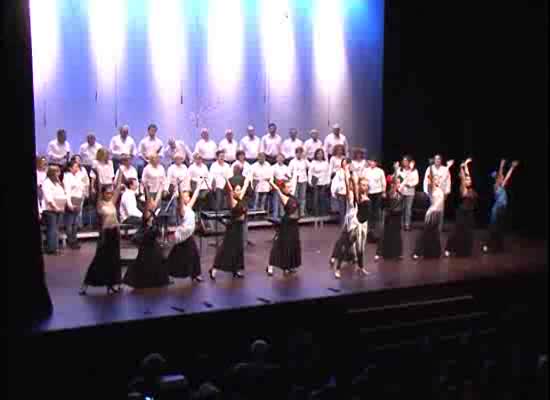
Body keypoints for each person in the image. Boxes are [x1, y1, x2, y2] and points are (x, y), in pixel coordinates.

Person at [79, 172, 125, 295]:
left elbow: (118, 186)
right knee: (100, 259)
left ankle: (112, 284)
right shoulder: (100, 204)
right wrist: (98, 175)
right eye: (107, 193)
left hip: (115, 232)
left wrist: (120, 172)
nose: (110, 195)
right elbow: (99, 189)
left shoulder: (112, 202)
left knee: (114, 259)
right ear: (103, 194)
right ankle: (85, 285)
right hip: (105, 234)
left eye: (111, 193)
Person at [123, 187, 171, 289]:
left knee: (158, 259)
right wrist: (146, 190)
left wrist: (160, 187)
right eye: (151, 201)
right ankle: (137, 281)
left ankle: (159, 281)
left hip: (152, 241)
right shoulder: (146, 214)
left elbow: (157, 199)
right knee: (143, 261)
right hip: (146, 240)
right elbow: (149, 200)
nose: (154, 202)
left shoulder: (154, 213)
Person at [329, 165, 370, 278]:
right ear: (358, 186)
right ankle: (337, 268)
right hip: (355, 224)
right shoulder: (356, 196)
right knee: (346, 245)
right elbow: (350, 187)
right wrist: (349, 176)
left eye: (366, 185)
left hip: (364, 225)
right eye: (363, 185)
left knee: (360, 248)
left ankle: (361, 268)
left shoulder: (366, 196)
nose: (365, 187)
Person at [209, 176, 252, 280]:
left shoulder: (241, 199)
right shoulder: (233, 201)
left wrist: (246, 183)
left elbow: (244, 188)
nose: (239, 191)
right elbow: (230, 190)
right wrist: (227, 181)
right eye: (237, 190)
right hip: (232, 228)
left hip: (239, 228)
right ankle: (214, 269)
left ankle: (236, 269)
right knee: (226, 249)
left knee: (238, 249)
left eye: (240, 189)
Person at [165, 183, 203, 282]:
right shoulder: (181, 209)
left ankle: (196, 274)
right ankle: (166, 273)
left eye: (188, 196)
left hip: (188, 235)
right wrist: (179, 187)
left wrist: (199, 186)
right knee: (178, 255)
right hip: (182, 235)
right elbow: (181, 200)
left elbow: (194, 196)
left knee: (193, 253)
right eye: (186, 196)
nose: (188, 198)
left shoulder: (189, 208)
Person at [482, 159, 519, 254]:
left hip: (501, 209)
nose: (502, 178)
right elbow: (505, 177)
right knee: (494, 228)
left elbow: (506, 176)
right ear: (497, 179)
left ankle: (497, 246)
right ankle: (489, 245)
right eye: (500, 177)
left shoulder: (500, 184)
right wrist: (502, 166)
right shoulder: (497, 186)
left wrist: (512, 167)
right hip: (497, 209)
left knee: (499, 228)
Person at [266, 178, 302, 276]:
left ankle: (289, 267)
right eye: (288, 187)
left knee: (292, 246)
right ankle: (270, 265)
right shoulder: (284, 197)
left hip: (294, 225)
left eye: (290, 186)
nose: (290, 188)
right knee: (281, 245)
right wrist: (271, 182)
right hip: (287, 225)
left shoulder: (292, 196)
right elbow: (277, 189)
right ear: (284, 189)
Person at [445, 158, 478, 257]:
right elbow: (464, 177)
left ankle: (465, 250)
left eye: (469, 178)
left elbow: (467, 175)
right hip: (462, 213)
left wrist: (466, 165)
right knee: (457, 231)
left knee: (468, 233)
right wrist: (461, 167)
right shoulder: (463, 188)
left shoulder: (472, 189)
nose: (469, 179)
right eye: (467, 179)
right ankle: (449, 248)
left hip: (470, 213)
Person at [412, 174, 445, 260]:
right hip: (431, 213)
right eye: (436, 179)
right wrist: (431, 172)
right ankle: (417, 252)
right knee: (425, 233)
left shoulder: (440, 190)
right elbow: (430, 183)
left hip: (438, 213)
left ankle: (434, 253)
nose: (437, 180)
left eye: (438, 179)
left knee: (435, 233)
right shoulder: (431, 189)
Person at [375, 164, 403, 260]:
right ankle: (379, 253)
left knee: (396, 235)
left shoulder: (400, 194)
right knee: (385, 234)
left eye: (399, 183)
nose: (397, 185)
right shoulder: (389, 193)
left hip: (397, 217)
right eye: (396, 183)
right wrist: (395, 170)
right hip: (389, 216)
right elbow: (393, 185)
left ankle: (397, 253)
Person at [423, 155, 454, 231]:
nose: (437, 160)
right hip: (432, 192)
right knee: (432, 209)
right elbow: (426, 180)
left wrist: (447, 192)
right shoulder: (430, 168)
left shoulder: (444, 169)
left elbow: (447, 181)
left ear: (441, 160)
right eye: (436, 159)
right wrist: (426, 191)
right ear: (434, 160)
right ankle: (430, 226)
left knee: (440, 211)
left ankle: (439, 228)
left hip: (441, 193)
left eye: (439, 159)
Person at [41, 165, 67, 254]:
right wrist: (55, 207)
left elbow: (63, 194)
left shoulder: (57, 183)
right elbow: (48, 198)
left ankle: (55, 248)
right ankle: (51, 249)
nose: (59, 174)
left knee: (56, 229)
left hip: (59, 209)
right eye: (57, 172)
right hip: (50, 210)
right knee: (52, 229)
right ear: (53, 173)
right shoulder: (46, 183)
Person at [63, 160, 86, 249]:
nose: (78, 168)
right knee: (70, 222)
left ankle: (74, 239)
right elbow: (67, 191)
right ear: (70, 168)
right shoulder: (67, 176)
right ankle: (70, 241)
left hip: (78, 199)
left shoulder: (78, 176)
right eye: (76, 166)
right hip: (71, 200)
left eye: (78, 166)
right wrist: (69, 204)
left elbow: (82, 187)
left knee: (75, 223)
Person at [397, 156, 419, 231]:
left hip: (410, 192)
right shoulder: (400, 169)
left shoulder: (414, 170)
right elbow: (398, 179)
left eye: (406, 161)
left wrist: (409, 184)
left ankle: (407, 224)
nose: (404, 162)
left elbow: (416, 181)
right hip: (401, 191)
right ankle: (400, 224)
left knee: (408, 209)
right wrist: (400, 184)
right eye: (403, 161)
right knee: (401, 208)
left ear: (409, 162)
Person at [308, 148, 330, 217]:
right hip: (315, 181)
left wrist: (328, 181)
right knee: (315, 198)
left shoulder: (326, 163)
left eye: (321, 153)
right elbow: (310, 172)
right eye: (318, 154)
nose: (320, 155)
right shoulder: (313, 162)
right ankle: (315, 213)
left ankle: (322, 213)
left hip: (323, 182)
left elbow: (328, 173)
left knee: (322, 198)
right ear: (316, 155)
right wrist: (310, 181)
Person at [288, 147, 309, 217]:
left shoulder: (304, 161)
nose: (299, 154)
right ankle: (295, 212)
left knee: (302, 197)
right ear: (296, 153)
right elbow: (289, 172)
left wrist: (305, 159)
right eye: (298, 153)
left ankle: (302, 212)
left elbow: (310, 167)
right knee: (295, 197)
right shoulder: (292, 162)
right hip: (295, 181)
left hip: (303, 180)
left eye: (301, 153)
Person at [330, 157, 350, 226]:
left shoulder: (350, 172)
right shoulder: (339, 172)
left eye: (346, 163)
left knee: (349, 208)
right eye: (343, 163)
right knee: (342, 209)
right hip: (341, 192)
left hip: (349, 193)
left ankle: (348, 223)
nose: (345, 165)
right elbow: (335, 182)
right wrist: (334, 191)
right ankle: (342, 223)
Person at [271, 153, 290, 222]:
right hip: (276, 186)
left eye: (281, 158)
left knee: (283, 201)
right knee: (276, 201)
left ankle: (283, 215)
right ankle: (275, 216)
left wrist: (285, 180)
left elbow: (289, 177)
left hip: (284, 186)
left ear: (283, 159)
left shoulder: (286, 167)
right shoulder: (273, 167)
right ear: (276, 159)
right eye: (278, 158)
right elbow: (271, 176)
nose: (280, 159)